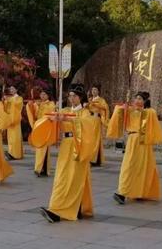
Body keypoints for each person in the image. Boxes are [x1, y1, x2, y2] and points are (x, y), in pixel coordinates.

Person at [39, 84, 97, 223]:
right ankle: (64, 208)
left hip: (78, 147)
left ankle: (59, 211)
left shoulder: (85, 112)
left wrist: (69, 119)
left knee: (74, 178)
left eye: (75, 96)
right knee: (62, 177)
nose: (72, 98)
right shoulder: (64, 110)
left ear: (80, 97)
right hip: (66, 145)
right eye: (70, 96)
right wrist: (54, 118)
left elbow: (88, 126)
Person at [108, 91, 162, 205]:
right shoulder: (130, 110)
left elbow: (150, 116)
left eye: (140, 99)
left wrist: (139, 110)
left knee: (142, 167)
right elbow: (119, 115)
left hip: (143, 142)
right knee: (128, 166)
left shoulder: (149, 112)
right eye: (136, 98)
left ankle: (140, 191)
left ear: (145, 101)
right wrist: (121, 108)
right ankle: (122, 192)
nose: (137, 101)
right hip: (132, 140)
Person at [26, 89, 56, 177]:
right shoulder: (37, 104)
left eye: (44, 94)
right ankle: (39, 168)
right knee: (39, 148)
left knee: (44, 148)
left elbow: (50, 114)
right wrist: (30, 105)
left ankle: (41, 169)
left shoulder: (51, 104)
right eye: (41, 94)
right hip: (38, 128)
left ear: (48, 96)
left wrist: (40, 106)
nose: (42, 96)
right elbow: (33, 114)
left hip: (46, 128)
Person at [87, 84, 109, 167]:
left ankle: (94, 159)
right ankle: (91, 157)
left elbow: (105, 107)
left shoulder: (101, 100)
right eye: (92, 90)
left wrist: (96, 105)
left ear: (98, 91)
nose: (94, 91)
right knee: (90, 139)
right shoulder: (90, 99)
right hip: (90, 120)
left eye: (95, 90)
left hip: (96, 119)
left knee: (95, 139)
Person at [4, 86, 24, 160]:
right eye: (10, 89)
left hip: (15, 119)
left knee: (15, 137)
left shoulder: (19, 98)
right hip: (10, 119)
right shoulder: (10, 98)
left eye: (13, 89)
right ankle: (11, 152)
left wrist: (9, 100)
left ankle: (16, 154)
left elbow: (17, 106)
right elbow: (6, 108)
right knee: (10, 137)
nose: (11, 90)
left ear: (16, 89)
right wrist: (5, 101)